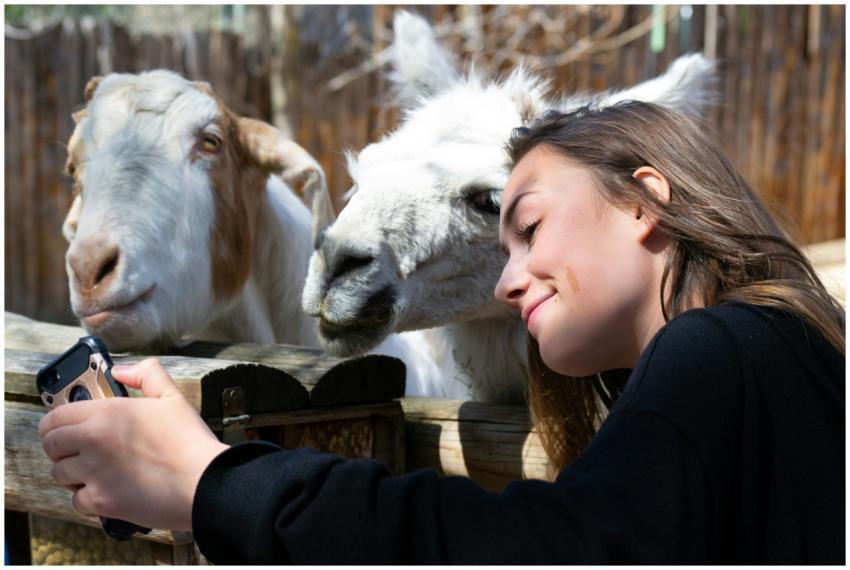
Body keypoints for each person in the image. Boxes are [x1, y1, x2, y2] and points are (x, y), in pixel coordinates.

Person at [38, 101, 844, 564]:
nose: (504, 279)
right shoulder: (784, 357)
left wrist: (215, 483)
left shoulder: (719, 348)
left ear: (644, 202)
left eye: (523, 223)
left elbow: (544, 553)